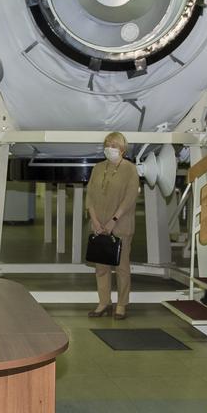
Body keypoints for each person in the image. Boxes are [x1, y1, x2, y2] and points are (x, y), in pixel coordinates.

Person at [85, 131, 140, 320]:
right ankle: (103, 302)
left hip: (121, 226)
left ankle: (121, 305)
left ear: (123, 149)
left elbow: (129, 198)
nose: (110, 148)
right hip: (98, 226)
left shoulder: (130, 169)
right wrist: (94, 220)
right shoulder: (98, 168)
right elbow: (90, 195)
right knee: (101, 268)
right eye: (107, 144)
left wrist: (113, 221)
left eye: (114, 145)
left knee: (122, 267)